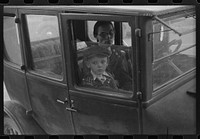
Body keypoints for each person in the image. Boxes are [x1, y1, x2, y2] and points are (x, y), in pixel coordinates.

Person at [93, 21, 132, 90]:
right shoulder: (92, 57)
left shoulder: (119, 54)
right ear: (96, 36)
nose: (108, 37)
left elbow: (126, 77)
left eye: (111, 33)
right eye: (103, 35)